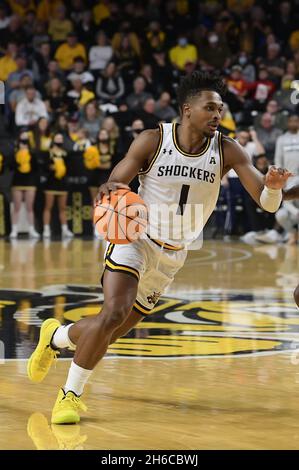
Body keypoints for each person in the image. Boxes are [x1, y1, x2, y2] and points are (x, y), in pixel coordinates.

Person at [27, 71, 291, 424]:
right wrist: (110, 188)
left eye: (220, 108)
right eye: (209, 107)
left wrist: (272, 187)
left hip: (174, 253)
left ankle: (56, 336)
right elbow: (119, 177)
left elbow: (267, 203)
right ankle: (69, 396)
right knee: (114, 312)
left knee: (113, 331)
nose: (217, 114)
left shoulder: (227, 149)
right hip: (136, 238)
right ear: (186, 109)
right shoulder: (153, 140)